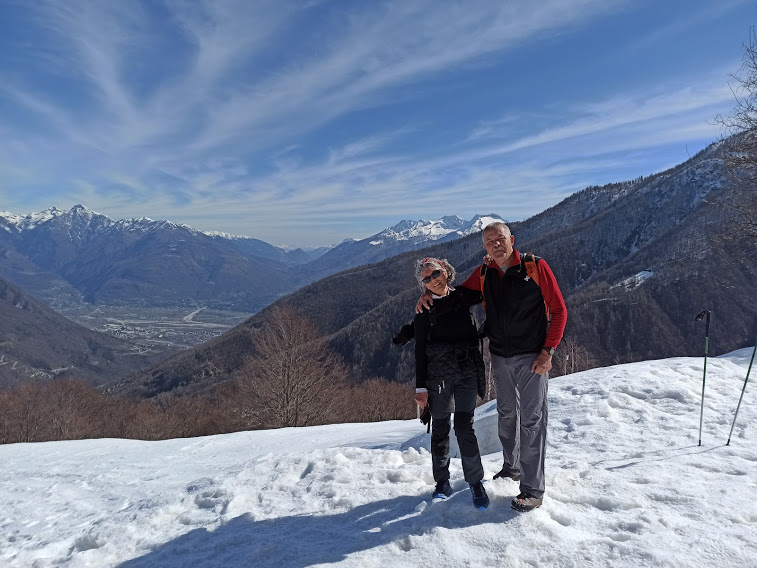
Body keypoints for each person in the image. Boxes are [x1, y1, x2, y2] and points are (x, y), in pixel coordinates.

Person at [418, 222, 567, 512]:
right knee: (507, 414)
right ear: (485, 247)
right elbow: (457, 295)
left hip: (532, 357)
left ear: (512, 240)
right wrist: (428, 297)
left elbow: (559, 310)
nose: (495, 245)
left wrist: (548, 351)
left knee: (532, 420)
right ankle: (512, 467)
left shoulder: (535, 267)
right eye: (489, 242)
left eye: (500, 239)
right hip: (499, 356)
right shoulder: (485, 272)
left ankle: (532, 490)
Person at [413, 256, 489, 510]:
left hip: (467, 372)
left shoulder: (463, 297)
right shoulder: (424, 311)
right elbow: (419, 350)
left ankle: (475, 482)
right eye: (426, 279)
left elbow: (488, 282)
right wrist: (420, 388)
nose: (433, 280)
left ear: (446, 271)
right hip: (438, 377)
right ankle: (442, 482)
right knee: (441, 428)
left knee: (465, 427)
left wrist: (489, 261)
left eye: (435, 274)